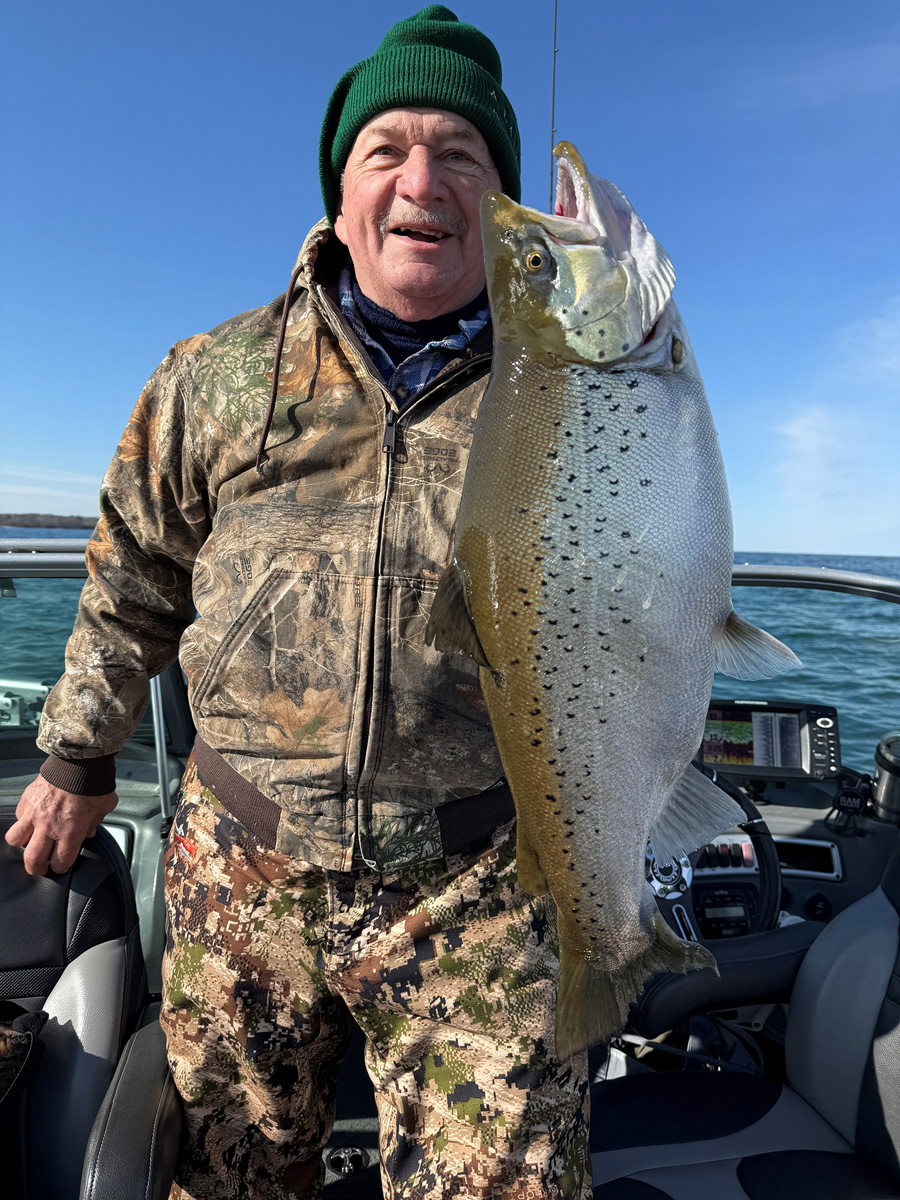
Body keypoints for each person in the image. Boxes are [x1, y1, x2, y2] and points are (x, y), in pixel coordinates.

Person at [7, 7, 592, 1198]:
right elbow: (133, 574)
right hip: (242, 869)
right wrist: (75, 756)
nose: (422, 180)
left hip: (479, 884)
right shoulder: (214, 375)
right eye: (387, 151)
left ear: (504, 201)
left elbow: (633, 584)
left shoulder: (571, 396)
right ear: (341, 192)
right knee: (228, 1176)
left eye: (463, 157)